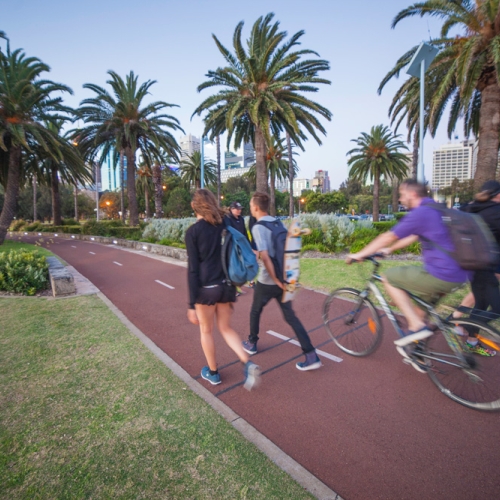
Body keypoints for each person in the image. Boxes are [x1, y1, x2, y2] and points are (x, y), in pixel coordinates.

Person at [347, 179, 471, 371]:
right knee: (421, 311)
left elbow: (387, 236)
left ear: (413, 194)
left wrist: (359, 254)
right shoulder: (437, 208)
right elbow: (413, 235)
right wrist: (389, 250)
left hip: (441, 274)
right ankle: (419, 355)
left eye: (402, 195)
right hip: (460, 275)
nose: (400, 198)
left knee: (389, 278)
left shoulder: (421, 212)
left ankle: (415, 325)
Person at [185, 189, 261, 389]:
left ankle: (213, 372)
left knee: (206, 330)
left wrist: (191, 304)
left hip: (205, 290)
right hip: (226, 287)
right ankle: (247, 362)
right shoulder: (224, 226)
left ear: (195, 206)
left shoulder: (193, 232)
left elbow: (193, 271)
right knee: (226, 328)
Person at [242, 192, 322, 371]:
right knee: (291, 317)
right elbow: (288, 250)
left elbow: (266, 257)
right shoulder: (278, 223)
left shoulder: (258, 227)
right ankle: (311, 354)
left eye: (250, 205)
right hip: (285, 278)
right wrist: (286, 280)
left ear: (255, 207)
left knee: (255, 310)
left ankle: (252, 343)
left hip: (269, 280)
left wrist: (277, 280)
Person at [451, 180, 500, 356]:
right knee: (497, 308)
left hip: (471, 264)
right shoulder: (495, 211)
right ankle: (459, 325)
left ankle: (471, 342)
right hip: (487, 266)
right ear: (497, 195)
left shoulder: (469, 207)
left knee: (481, 303)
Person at [224, 201, 250, 296]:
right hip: (232, 246)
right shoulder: (227, 219)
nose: (239, 211)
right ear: (232, 209)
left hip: (241, 246)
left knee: (241, 267)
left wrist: (248, 245)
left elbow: (244, 232)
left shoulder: (241, 219)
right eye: (237, 209)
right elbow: (228, 232)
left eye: (240, 209)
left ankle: (237, 286)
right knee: (233, 267)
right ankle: (233, 288)